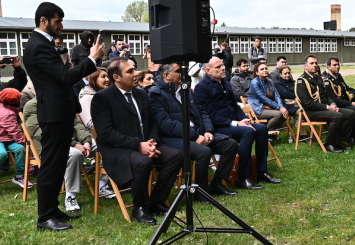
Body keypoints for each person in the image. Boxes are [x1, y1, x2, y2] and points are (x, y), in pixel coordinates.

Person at [22, 2, 102, 232]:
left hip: (60, 111)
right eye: (57, 21)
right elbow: (65, 78)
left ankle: (53, 209)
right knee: (51, 165)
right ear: (43, 20)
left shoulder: (44, 43)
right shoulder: (38, 45)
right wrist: (91, 60)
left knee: (57, 166)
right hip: (53, 113)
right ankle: (45, 217)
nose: (61, 26)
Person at [91, 58, 184, 225]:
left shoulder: (141, 94)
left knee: (176, 155)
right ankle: (139, 207)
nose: (136, 74)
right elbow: (106, 134)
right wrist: (138, 145)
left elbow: (152, 122)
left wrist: (151, 142)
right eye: (130, 71)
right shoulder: (102, 98)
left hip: (144, 144)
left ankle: (156, 201)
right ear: (116, 77)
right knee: (143, 162)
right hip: (117, 149)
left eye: (134, 69)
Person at [148, 63, 239, 198]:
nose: (183, 73)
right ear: (167, 75)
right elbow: (166, 124)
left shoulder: (186, 90)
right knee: (203, 152)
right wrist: (194, 136)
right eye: (178, 71)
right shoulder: (156, 94)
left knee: (230, 145)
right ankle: (200, 192)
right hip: (172, 138)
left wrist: (208, 130)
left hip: (197, 133)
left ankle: (216, 184)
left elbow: (202, 112)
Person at [194, 57, 281, 190]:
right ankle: (243, 177)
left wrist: (244, 119)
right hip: (218, 128)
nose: (223, 68)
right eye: (218, 67)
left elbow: (235, 107)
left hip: (233, 124)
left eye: (222, 65)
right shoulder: (201, 88)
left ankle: (261, 172)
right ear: (208, 71)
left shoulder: (226, 84)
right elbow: (209, 116)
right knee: (247, 131)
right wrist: (236, 123)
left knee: (261, 129)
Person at [24, 96, 96, 212]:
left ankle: (102, 184)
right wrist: (73, 144)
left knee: (104, 145)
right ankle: (70, 196)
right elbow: (40, 132)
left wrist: (86, 141)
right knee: (74, 154)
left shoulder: (62, 101)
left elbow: (77, 125)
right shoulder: (32, 105)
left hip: (71, 141)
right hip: (49, 146)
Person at [296, 54, 355, 153]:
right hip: (311, 112)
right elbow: (308, 104)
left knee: (351, 114)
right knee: (337, 116)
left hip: (324, 108)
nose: (315, 65)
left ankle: (338, 140)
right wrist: (328, 107)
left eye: (316, 63)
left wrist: (332, 104)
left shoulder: (318, 78)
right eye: (311, 63)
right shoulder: (301, 81)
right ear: (305, 66)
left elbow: (326, 96)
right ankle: (329, 144)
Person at [323, 57, 355, 144]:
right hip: (338, 106)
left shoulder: (338, 76)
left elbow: (348, 89)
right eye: (334, 65)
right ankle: (351, 137)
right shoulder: (327, 81)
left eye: (338, 64)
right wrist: (353, 103)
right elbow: (335, 100)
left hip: (345, 102)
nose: (337, 66)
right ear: (328, 67)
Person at [249, 62, 290, 131]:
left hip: (268, 107)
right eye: (262, 69)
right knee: (279, 114)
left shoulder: (270, 81)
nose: (265, 70)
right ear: (257, 72)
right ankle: (265, 132)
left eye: (266, 68)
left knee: (285, 113)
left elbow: (276, 96)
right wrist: (279, 108)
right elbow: (263, 98)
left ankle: (271, 132)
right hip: (257, 108)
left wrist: (281, 107)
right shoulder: (255, 82)